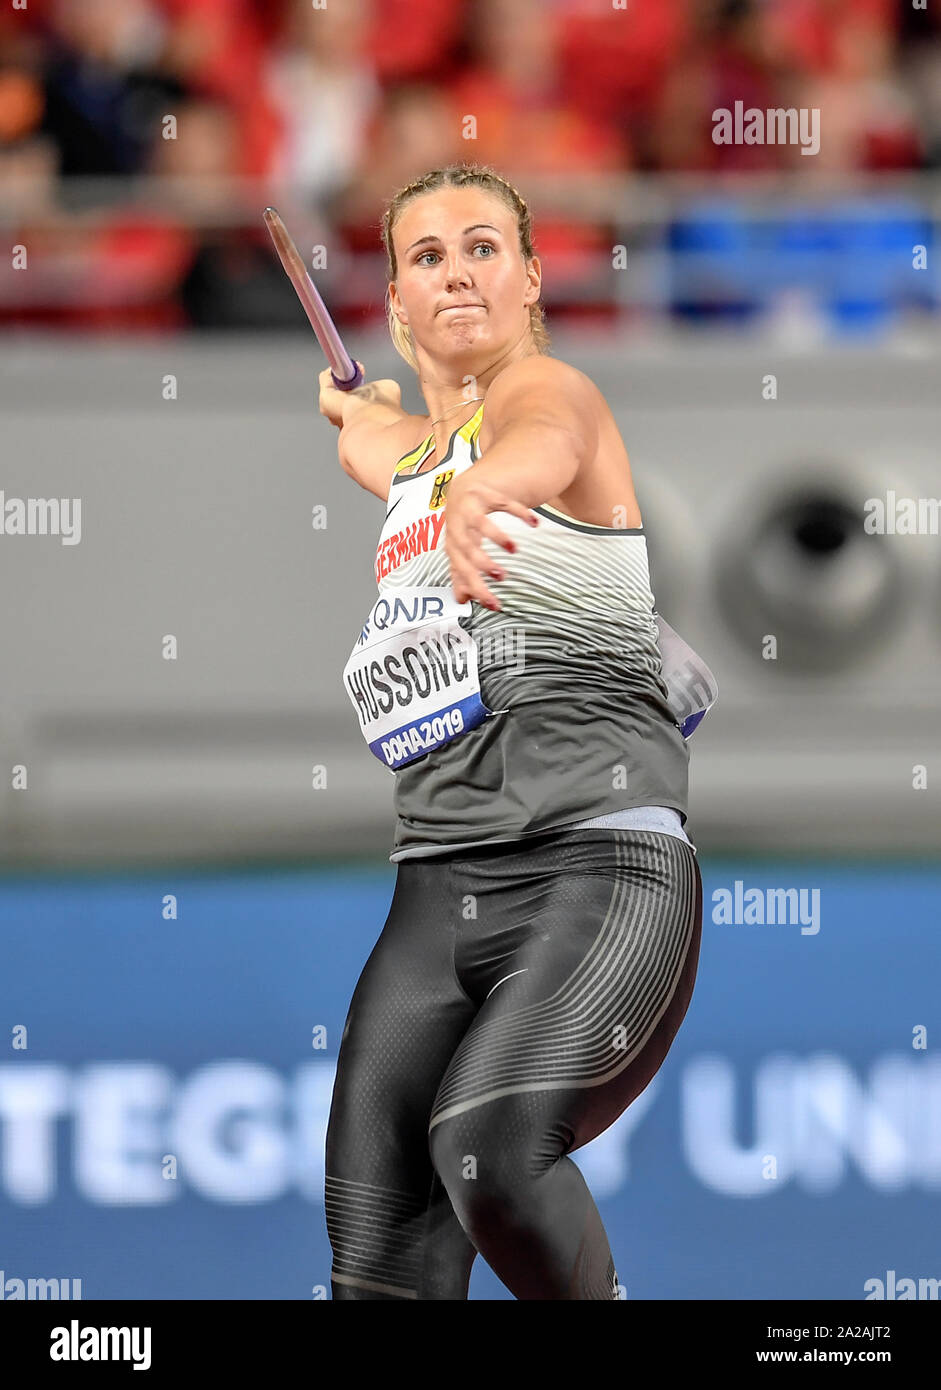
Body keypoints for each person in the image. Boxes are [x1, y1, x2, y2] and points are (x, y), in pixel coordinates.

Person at [317, 163, 708, 1300]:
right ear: (393, 306)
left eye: (482, 247)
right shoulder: (409, 462)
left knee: (486, 1151)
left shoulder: (552, 400)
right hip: (432, 891)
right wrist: (351, 410)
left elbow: (529, 441)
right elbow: (375, 440)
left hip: (599, 867)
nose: (456, 272)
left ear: (532, 278)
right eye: (426, 257)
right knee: (373, 1255)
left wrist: (490, 494)